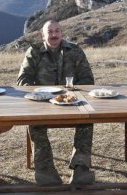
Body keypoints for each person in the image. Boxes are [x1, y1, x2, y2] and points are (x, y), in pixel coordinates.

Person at [17, 20, 95, 186]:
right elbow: (23, 80)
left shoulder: (74, 50)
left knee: (87, 120)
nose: (54, 35)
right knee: (35, 124)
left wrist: (74, 92)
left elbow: (88, 79)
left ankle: (81, 168)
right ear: (43, 35)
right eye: (50, 31)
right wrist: (38, 92)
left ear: (61, 33)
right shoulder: (34, 51)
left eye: (57, 31)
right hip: (42, 102)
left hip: (71, 102)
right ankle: (45, 171)